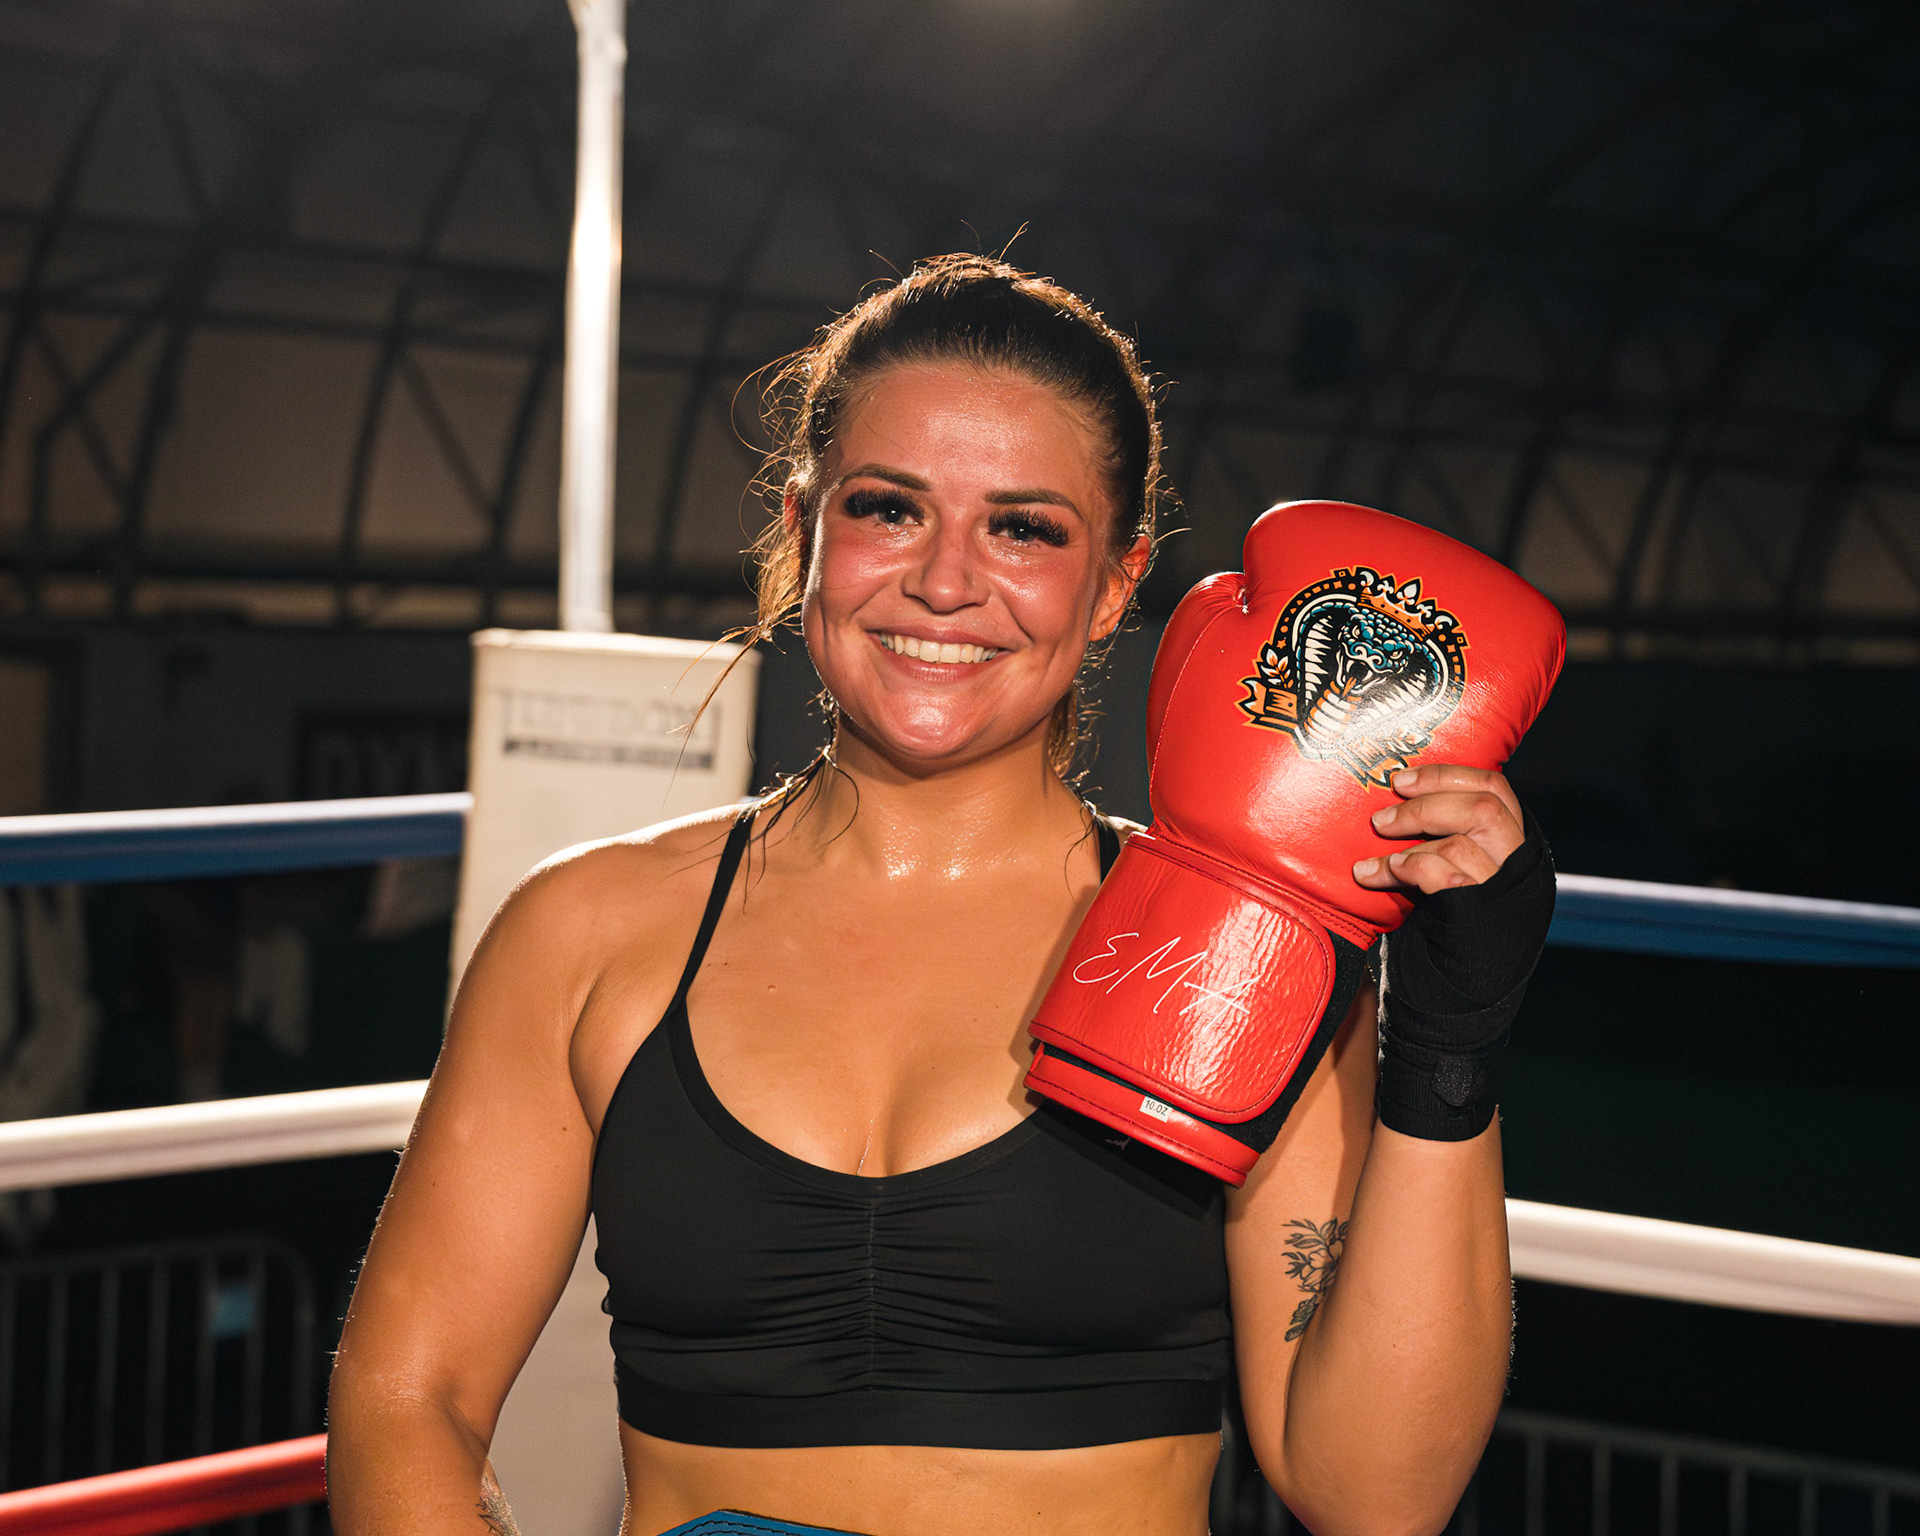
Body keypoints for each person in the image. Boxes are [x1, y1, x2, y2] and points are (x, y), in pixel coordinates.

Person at [328, 255, 1530, 1536]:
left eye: (1024, 528)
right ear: (804, 533)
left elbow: (1374, 1495)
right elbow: (412, 1398)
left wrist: (1450, 1045)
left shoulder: (1244, 958)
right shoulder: (586, 933)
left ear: (1116, 584)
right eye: (890, 509)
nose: (945, 582)